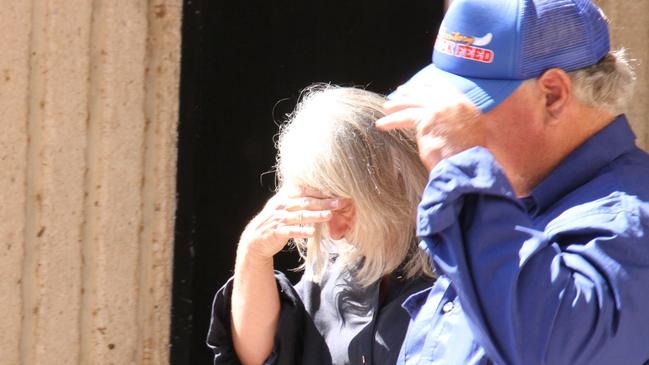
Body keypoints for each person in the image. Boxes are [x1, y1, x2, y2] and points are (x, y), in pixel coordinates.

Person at [376, 0, 649, 364]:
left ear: (553, 94)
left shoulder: (629, 218)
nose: (444, 128)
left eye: (467, 111)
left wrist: (461, 169)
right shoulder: (513, 195)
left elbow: (550, 348)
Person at [207, 85, 436, 365]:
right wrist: (254, 254)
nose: (335, 231)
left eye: (342, 206)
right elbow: (256, 359)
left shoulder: (457, 265)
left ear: (391, 182)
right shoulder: (331, 276)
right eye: (320, 208)